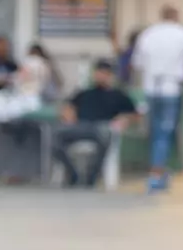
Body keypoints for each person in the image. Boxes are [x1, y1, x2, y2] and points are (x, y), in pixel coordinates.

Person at [131, 5, 183, 192]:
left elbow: (137, 63)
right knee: (164, 133)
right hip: (171, 89)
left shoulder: (148, 34)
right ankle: (157, 174)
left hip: (151, 89)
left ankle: (159, 170)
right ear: (177, 17)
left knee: (156, 132)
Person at [52, 59, 137, 188]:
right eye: (98, 73)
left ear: (110, 75)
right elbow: (67, 107)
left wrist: (123, 119)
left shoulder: (118, 95)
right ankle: (73, 174)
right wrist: (68, 114)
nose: (100, 76)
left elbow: (133, 114)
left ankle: (91, 176)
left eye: (104, 73)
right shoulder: (85, 93)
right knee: (55, 135)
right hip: (80, 126)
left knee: (106, 135)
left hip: (102, 127)